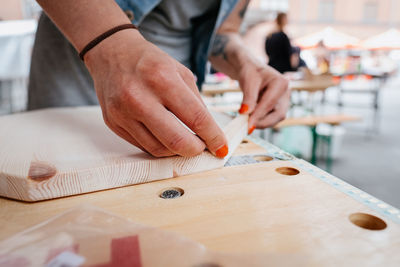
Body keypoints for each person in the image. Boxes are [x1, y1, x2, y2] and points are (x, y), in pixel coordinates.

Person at [28, 0, 290, 159]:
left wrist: (246, 61)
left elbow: (224, 30)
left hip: (171, 109)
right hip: (74, 82)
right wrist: (111, 48)